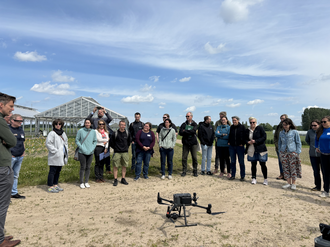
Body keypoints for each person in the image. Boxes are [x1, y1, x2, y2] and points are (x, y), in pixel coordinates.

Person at [0, 92, 21, 246]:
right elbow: (12, 140)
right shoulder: (1, 122)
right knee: (2, 204)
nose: (12, 110)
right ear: (1, 105)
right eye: (11, 106)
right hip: (2, 167)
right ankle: (0, 240)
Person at [87, 106, 113, 174]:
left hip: (105, 139)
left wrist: (105, 111)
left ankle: (108, 168)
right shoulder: (94, 120)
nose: (100, 113)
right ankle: (98, 172)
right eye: (99, 112)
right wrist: (93, 112)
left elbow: (110, 118)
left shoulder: (105, 119)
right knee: (98, 158)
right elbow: (88, 119)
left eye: (101, 112)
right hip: (98, 141)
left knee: (106, 155)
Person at [45, 119, 68, 193]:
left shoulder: (63, 133)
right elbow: (48, 143)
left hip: (61, 155)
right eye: (56, 124)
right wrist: (55, 151)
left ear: (62, 125)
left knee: (58, 171)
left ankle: (55, 184)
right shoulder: (52, 133)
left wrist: (65, 151)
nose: (58, 125)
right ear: (54, 125)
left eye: (59, 124)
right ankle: (50, 186)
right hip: (55, 155)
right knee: (52, 171)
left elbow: (66, 142)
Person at [278, 118, 302, 190]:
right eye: (283, 125)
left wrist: (297, 152)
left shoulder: (294, 132)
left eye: (286, 125)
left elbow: (298, 142)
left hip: (292, 152)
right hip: (283, 152)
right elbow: (279, 143)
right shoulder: (281, 133)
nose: (284, 126)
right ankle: (288, 183)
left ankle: (293, 183)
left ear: (290, 124)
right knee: (286, 168)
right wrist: (280, 152)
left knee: (293, 168)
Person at [245, 117, 268, 185]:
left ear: (256, 122)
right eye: (251, 122)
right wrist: (248, 142)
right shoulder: (247, 130)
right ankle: (254, 178)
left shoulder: (260, 128)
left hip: (260, 149)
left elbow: (264, 137)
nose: (252, 124)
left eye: (253, 122)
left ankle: (265, 179)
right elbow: (244, 139)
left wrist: (256, 141)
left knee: (263, 164)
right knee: (253, 164)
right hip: (252, 149)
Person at [75, 118, 97, 189]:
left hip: (90, 152)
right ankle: (81, 182)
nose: (87, 124)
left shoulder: (93, 131)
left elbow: (95, 141)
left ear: (91, 124)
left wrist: (92, 148)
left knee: (88, 167)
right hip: (82, 152)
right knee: (82, 167)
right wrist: (81, 147)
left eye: (88, 123)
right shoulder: (81, 131)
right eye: (86, 123)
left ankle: (86, 182)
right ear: (84, 123)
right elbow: (77, 140)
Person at [9, 114, 26, 199]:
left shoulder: (20, 129)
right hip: (11, 156)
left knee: (15, 175)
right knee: (7, 175)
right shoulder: (8, 130)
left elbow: (22, 141)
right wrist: (9, 154)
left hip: (20, 156)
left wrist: (24, 151)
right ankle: (5, 194)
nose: (20, 123)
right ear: (12, 121)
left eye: (21, 121)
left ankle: (14, 192)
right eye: (18, 121)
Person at [110, 120, 131, 186]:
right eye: (121, 125)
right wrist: (116, 148)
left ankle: (123, 178)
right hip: (117, 152)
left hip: (125, 152)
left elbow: (129, 142)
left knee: (124, 166)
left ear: (125, 126)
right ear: (119, 125)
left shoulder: (127, 133)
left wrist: (125, 147)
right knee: (115, 166)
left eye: (124, 125)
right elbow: (111, 142)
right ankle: (115, 179)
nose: (123, 126)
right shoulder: (115, 133)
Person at [179, 112, 198, 177]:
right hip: (186, 143)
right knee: (184, 157)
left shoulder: (195, 124)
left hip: (193, 143)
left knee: (194, 157)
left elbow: (194, 131)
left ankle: (195, 170)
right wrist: (187, 131)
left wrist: (185, 131)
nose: (187, 117)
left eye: (188, 116)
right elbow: (180, 133)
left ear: (191, 116)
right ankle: (184, 170)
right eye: (186, 116)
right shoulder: (183, 124)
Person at [315, 116, 330, 197]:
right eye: (322, 122)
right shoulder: (320, 130)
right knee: (325, 173)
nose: (323, 123)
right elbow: (316, 139)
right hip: (323, 155)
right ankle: (326, 190)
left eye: (325, 122)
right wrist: (317, 147)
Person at [228, 116, 246, 181]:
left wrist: (243, 143)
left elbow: (245, 136)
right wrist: (229, 142)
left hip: (240, 147)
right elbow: (230, 135)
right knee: (232, 162)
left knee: (241, 162)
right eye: (233, 120)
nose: (234, 121)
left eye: (235, 120)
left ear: (238, 120)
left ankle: (242, 176)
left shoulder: (242, 127)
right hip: (232, 146)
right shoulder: (231, 127)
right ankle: (233, 175)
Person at [306, 120, 322, 191]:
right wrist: (313, 146)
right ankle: (317, 186)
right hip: (313, 154)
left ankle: (327, 187)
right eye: (312, 125)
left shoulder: (323, 131)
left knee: (325, 171)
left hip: (323, 154)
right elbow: (307, 140)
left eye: (315, 125)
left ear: (319, 125)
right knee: (316, 171)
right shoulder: (309, 132)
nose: (313, 127)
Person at [274, 114, 288, 180]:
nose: (282, 120)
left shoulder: (289, 127)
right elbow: (275, 137)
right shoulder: (278, 126)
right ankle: (282, 174)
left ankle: (287, 175)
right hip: (279, 148)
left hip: (287, 148)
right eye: (281, 118)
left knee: (287, 161)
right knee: (280, 161)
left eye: (283, 118)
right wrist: (277, 145)